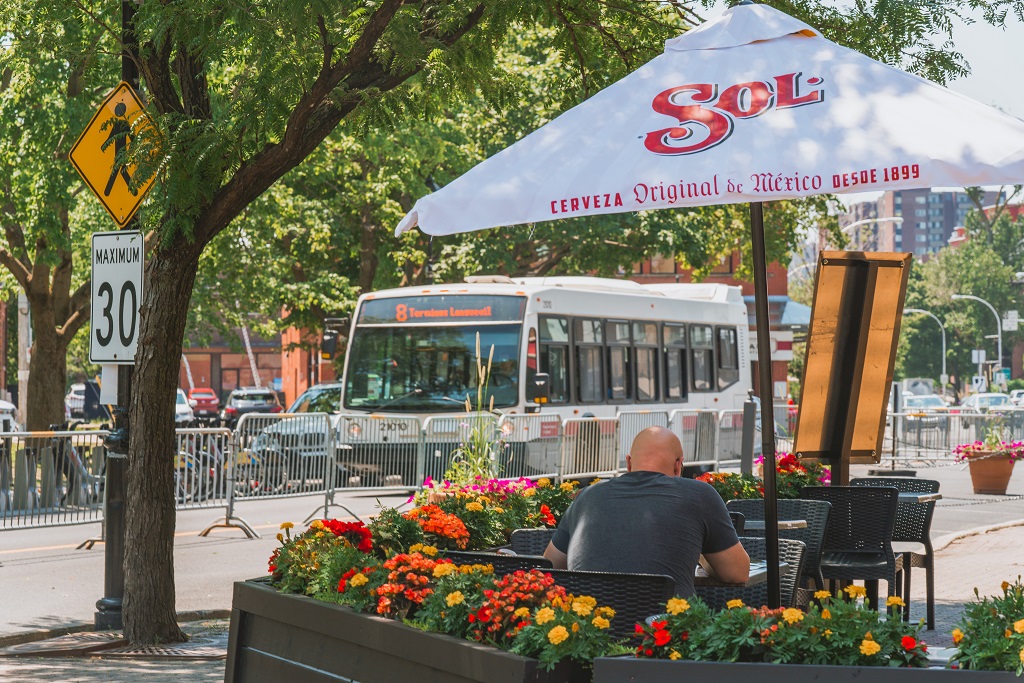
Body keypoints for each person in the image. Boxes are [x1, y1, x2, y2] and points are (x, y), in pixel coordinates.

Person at [543, 426, 749, 596]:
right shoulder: (699, 495)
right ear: (679, 466)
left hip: (591, 633)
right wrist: (699, 552)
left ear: (629, 463)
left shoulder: (587, 497)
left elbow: (550, 564)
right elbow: (737, 573)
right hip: (667, 634)